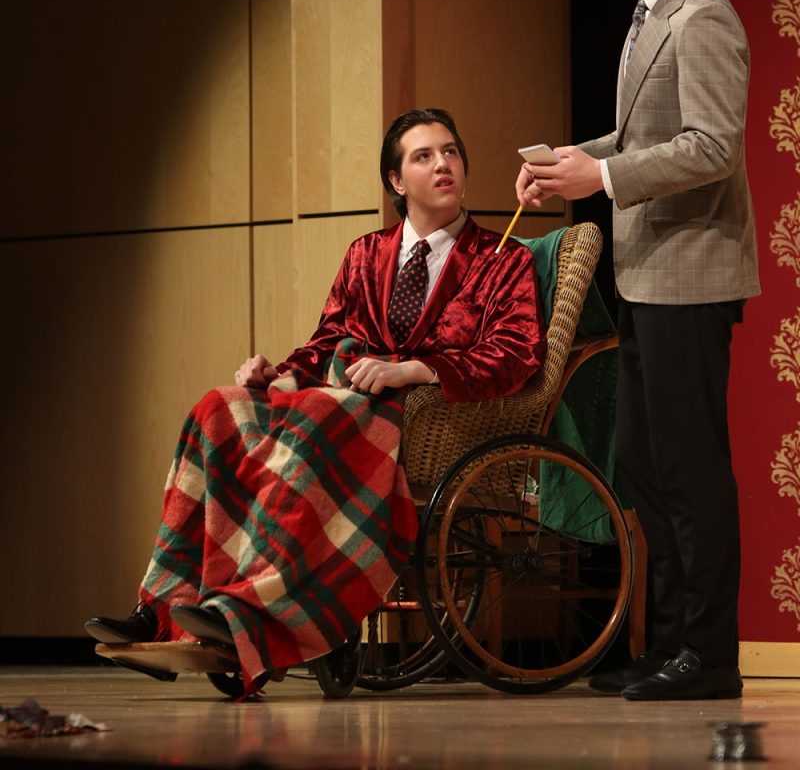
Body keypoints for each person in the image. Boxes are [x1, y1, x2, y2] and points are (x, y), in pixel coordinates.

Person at [87, 108, 545, 695]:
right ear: (396, 182)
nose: (444, 164)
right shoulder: (365, 253)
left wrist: (417, 367)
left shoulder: (501, 260)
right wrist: (276, 374)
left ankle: (242, 612)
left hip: (416, 417)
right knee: (218, 408)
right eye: (424, 156)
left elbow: (514, 353)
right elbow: (328, 340)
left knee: (313, 421)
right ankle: (161, 603)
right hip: (337, 399)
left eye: (451, 152)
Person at [516, 0, 759, 701]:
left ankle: (711, 655)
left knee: (691, 469)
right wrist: (575, 162)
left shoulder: (703, 18)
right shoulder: (650, 10)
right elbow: (640, 133)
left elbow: (711, 147)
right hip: (650, 269)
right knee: (650, 469)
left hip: (691, 270)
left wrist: (604, 182)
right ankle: (666, 645)